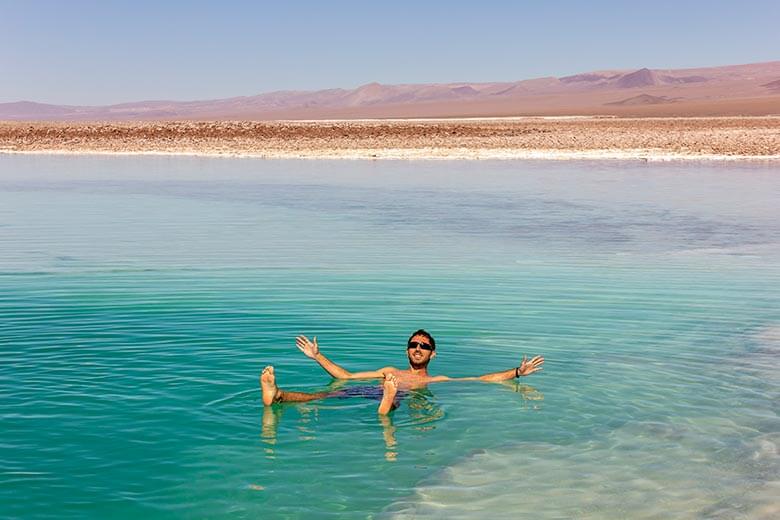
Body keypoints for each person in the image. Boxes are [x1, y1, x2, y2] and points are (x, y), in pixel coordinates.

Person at [260, 329, 544, 415]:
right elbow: (344, 376)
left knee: (396, 396)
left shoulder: (436, 380)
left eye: (424, 345)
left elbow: (482, 379)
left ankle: (388, 404)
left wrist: (516, 372)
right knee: (322, 395)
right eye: (413, 344)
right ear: (407, 350)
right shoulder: (389, 370)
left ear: (432, 353)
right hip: (376, 389)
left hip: (398, 394)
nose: (417, 348)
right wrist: (317, 355)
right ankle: (278, 395)